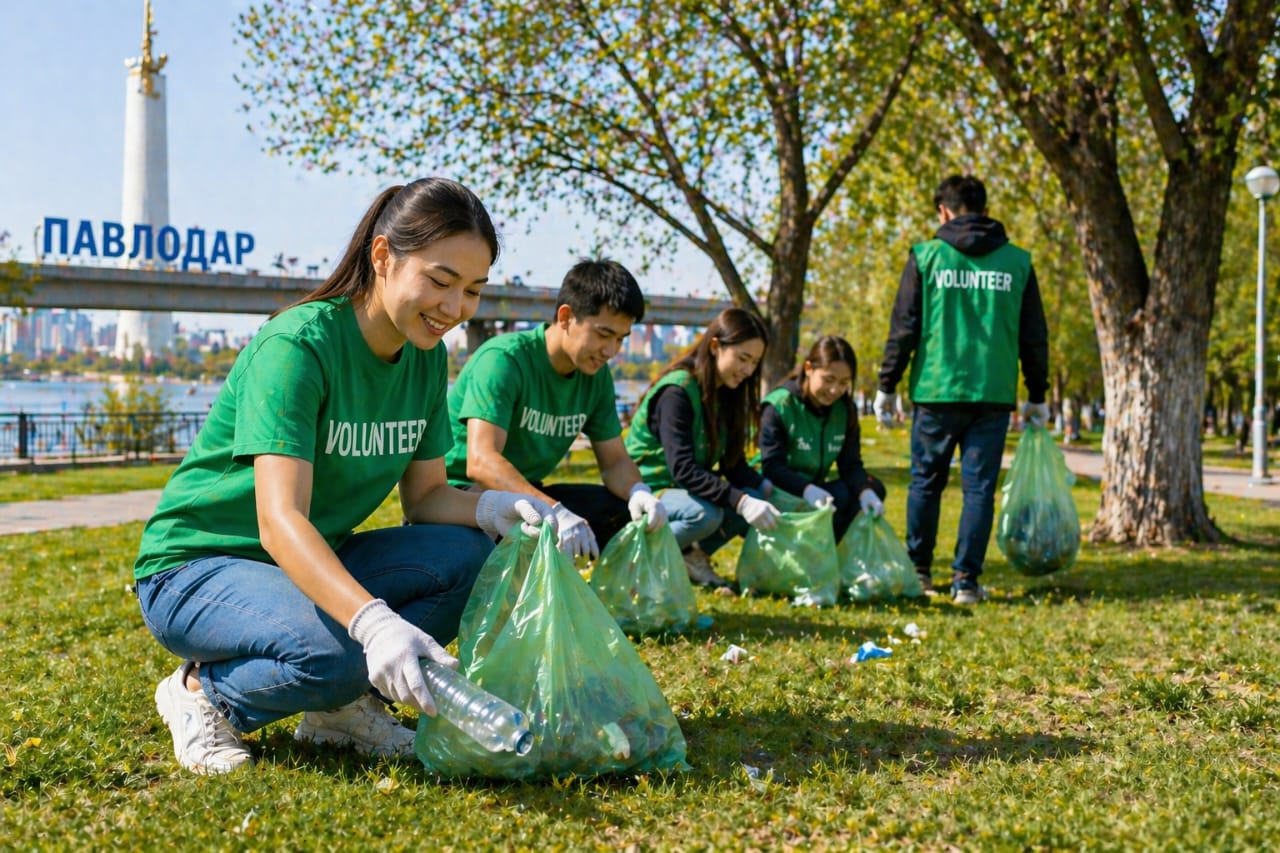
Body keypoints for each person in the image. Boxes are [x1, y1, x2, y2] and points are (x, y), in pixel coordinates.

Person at [133, 179, 550, 775]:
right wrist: (375, 623)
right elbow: (280, 522)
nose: (455, 309)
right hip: (196, 568)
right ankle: (205, 694)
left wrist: (492, 510)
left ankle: (336, 713)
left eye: (473, 290)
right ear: (382, 257)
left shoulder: (427, 358)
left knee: (472, 556)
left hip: (304, 563)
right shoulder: (298, 346)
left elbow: (428, 496)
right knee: (338, 652)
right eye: (440, 280)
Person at [873, 174, 1049, 604]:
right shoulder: (1018, 263)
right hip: (992, 393)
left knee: (926, 483)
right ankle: (965, 581)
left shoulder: (925, 257)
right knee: (978, 489)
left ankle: (919, 572)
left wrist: (887, 385)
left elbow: (905, 328)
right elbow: (1034, 338)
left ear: (943, 211)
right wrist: (1038, 394)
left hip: (936, 389)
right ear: (985, 211)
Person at [445, 258, 667, 561]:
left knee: (622, 512)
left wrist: (639, 491)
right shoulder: (505, 360)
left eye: (620, 339)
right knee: (487, 548)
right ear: (566, 317)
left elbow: (615, 461)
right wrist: (554, 510)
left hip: (527, 493)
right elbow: (482, 462)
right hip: (462, 495)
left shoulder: (596, 376)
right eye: (603, 334)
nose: (611, 351)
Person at [624, 307, 777, 592]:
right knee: (707, 513)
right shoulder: (678, 392)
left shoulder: (728, 394)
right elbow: (682, 469)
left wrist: (770, 492)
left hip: (681, 492)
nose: (748, 370)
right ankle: (633, 561)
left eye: (755, 362)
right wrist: (741, 502)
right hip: (644, 489)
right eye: (743, 358)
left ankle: (692, 556)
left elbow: (733, 466)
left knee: (752, 497)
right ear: (716, 346)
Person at [758, 335, 887, 541]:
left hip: (815, 492)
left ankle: (827, 551)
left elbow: (850, 465)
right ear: (809, 368)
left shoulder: (844, 410)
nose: (835, 390)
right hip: (774, 491)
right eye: (828, 379)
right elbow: (772, 466)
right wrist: (806, 489)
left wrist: (865, 491)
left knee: (870, 488)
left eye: (844, 383)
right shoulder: (780, 405)